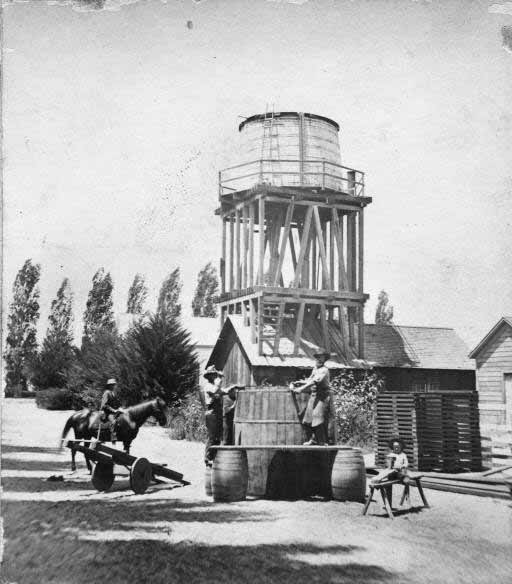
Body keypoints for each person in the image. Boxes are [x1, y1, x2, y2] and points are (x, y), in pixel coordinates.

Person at [290, 350, 332, 446]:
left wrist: (301, 389)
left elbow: (314, 382)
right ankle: (313, 440)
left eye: (322, 358)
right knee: (308, 418)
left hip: (322, 397)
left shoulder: (324, 370)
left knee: (318, 417)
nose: (319, 360)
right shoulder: (315, 369)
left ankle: (322, 441)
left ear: (325, 359)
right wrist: (299, 382)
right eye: (318, 358)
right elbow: (310, 380)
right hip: (314, 395)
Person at [203, 365, 225, 466]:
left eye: (214, 375)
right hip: (211, 412)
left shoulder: (214, 385)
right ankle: (208, 457)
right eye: (212, 375)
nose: (214, 376)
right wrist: (220, 380)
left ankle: (213, 456)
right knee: (212, 436)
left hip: (217, 412)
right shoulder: (208, 386)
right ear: (208, 376)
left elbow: (221, 392)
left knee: (217, 436)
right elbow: (215, 392)